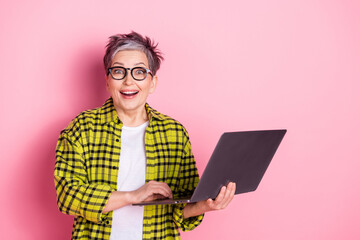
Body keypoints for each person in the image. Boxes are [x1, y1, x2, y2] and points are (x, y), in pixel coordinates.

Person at [54, 31, 236, 240]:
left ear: (152, 82)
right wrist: (133, 196)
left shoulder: (174, 133)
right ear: (107, 81)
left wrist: (205, 205)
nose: (129, 81)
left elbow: (181, 207)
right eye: (119, 71)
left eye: (139, 72)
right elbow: (67, 196)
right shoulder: (82, 128)